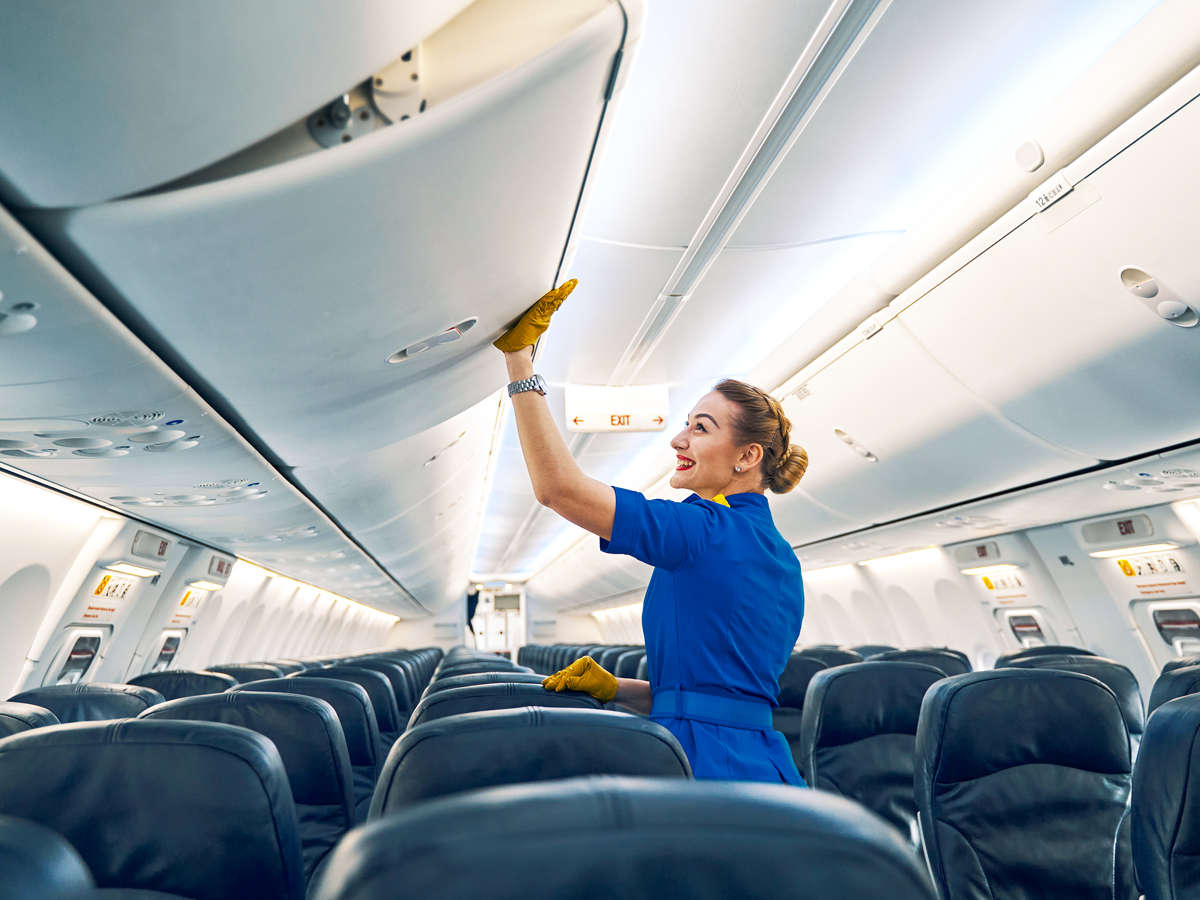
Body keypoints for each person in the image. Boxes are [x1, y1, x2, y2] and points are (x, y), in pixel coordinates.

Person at [495, 281, 810, 784]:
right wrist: (618, 689)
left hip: (703, 769)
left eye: (701, 429)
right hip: (765, 767)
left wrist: (519, 365)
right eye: (686, 424)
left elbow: (559, 488)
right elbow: (720, 695)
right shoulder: (779, 554)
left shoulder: (703, 531)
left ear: (748, 456)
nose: (678, 438)